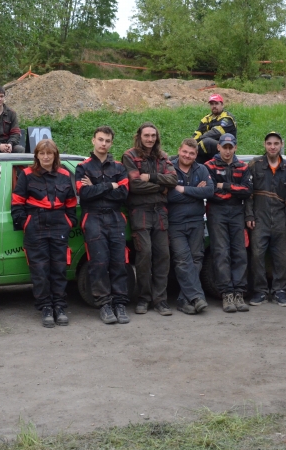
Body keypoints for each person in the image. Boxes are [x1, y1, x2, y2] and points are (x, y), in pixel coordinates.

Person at [11, 139, 77, 328]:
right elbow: (17, 203)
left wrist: (68, 222)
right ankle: (46, 308)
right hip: (36, 226)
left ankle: (60, 307)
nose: (46, 157)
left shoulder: (65, 175)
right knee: (40, 271)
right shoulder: (26, 175)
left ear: (55, 156)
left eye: (49, 153)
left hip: (59, 225)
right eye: (42, 153)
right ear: (37, 156)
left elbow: (71, 203)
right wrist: (26, 223)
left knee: (59, 269)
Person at [75, 126, 131, 325]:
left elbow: (123, 194)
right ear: (93, 140)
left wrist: (96, 187)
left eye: (107, 141)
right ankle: (104, 304)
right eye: (100, 139)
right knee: (98, 263)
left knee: (119, 262)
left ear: (111, 143)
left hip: (115, 217)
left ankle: (120, 303)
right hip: (93, 217)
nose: (103, 144)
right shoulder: (82, 167)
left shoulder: (119, 167)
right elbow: (84, 194)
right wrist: (109, 186)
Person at [121, 122, 178, 316]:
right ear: (139, 136)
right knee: (144, 254)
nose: (150, 139)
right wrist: (161, 186)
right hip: (140, 211)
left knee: (163, 255)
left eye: (153, 135)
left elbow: (173, 180)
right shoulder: (130, 156)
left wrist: (151, 177)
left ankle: (160, 300)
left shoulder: (163, 156)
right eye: (146, 135)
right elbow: (135, 185)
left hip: (160, 212)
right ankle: (143, 298)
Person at [245, 131, 286, 308]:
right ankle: (260, 291)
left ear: (281, 144)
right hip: (259, 219)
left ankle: (280, 291)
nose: (272, 147)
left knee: (282, 258)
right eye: (269, 143)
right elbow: (248, 193)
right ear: (264, 145)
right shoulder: (255, 165)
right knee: (257, 256)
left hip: (280, 220)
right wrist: (249, 215)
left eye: (276, 143)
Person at [204, 133, 252, 313]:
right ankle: (227, 294)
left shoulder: (243, 166)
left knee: (239, 252)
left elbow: (247, 190)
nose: (227, 151)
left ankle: (239, 292)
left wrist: (224, 186)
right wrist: (234, 191)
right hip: (216, 212)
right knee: (221, 252)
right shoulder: (209, 166)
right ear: (218, 147)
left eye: (231, 147)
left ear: (235, 148)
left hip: (237, 212)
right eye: (224, 147)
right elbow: (210, 192)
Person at [167, 138, 214, 315]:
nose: (187, 155)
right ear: (179, 150)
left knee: (196, 259)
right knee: (182, 260)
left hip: (196, 222)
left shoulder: (201, 169)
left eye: (192, 153)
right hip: (176, 223)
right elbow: (169, 196)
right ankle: (197, 297)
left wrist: (184, 189)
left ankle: (184, 300)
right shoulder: (169, 168)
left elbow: (209, 191)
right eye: (185, 151)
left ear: (196, 155)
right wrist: (196, 190)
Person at [192, 94, 238, 163]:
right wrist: (192, 143)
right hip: (209, 150)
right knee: (194, 155)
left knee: (206, 142)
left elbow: (216, 132)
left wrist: (200, 139)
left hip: (226, 148)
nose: (214, 106)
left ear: (222, 105)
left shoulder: (227, 118)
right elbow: (198, 132)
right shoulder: (207, 118)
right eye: (212, 104)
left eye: (216, 103)